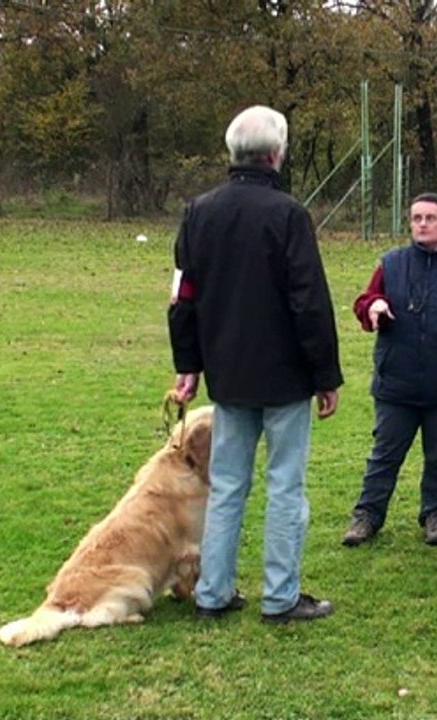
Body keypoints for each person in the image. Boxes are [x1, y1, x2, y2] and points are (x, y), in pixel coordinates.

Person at [168, 105, 343, 624]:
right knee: (285, 484)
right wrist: (325, 374)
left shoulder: (198, 212)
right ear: (277, 153)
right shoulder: (288, 214)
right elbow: (308, 300)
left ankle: (213, 593)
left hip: (227, 372)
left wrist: (189, 363)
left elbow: (184, 296)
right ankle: (280, 596)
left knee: (227, 486)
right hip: (285, 375)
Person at [340, 193, 437, 548]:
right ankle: (367, 515)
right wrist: (374, 306)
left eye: (429, 218)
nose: (422, 224)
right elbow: (364, 302)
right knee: (385, 453)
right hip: (397, 380)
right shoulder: (391, 264)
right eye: (416, 218)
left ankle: (436, 515)